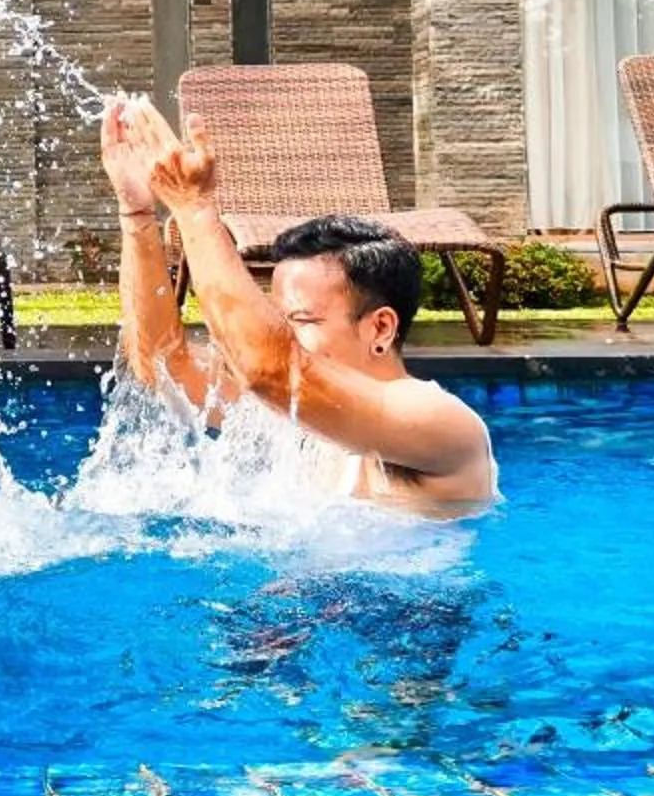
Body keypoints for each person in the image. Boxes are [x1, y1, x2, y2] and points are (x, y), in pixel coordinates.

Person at [100, 95, 497, 518]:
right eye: (279, 318)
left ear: (380, 328)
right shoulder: (293, 418)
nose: (276, 333)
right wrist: (137, 213)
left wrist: (195, 208)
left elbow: (267, 366)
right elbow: (159, 363)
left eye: (302, 319)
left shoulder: (443, 424)